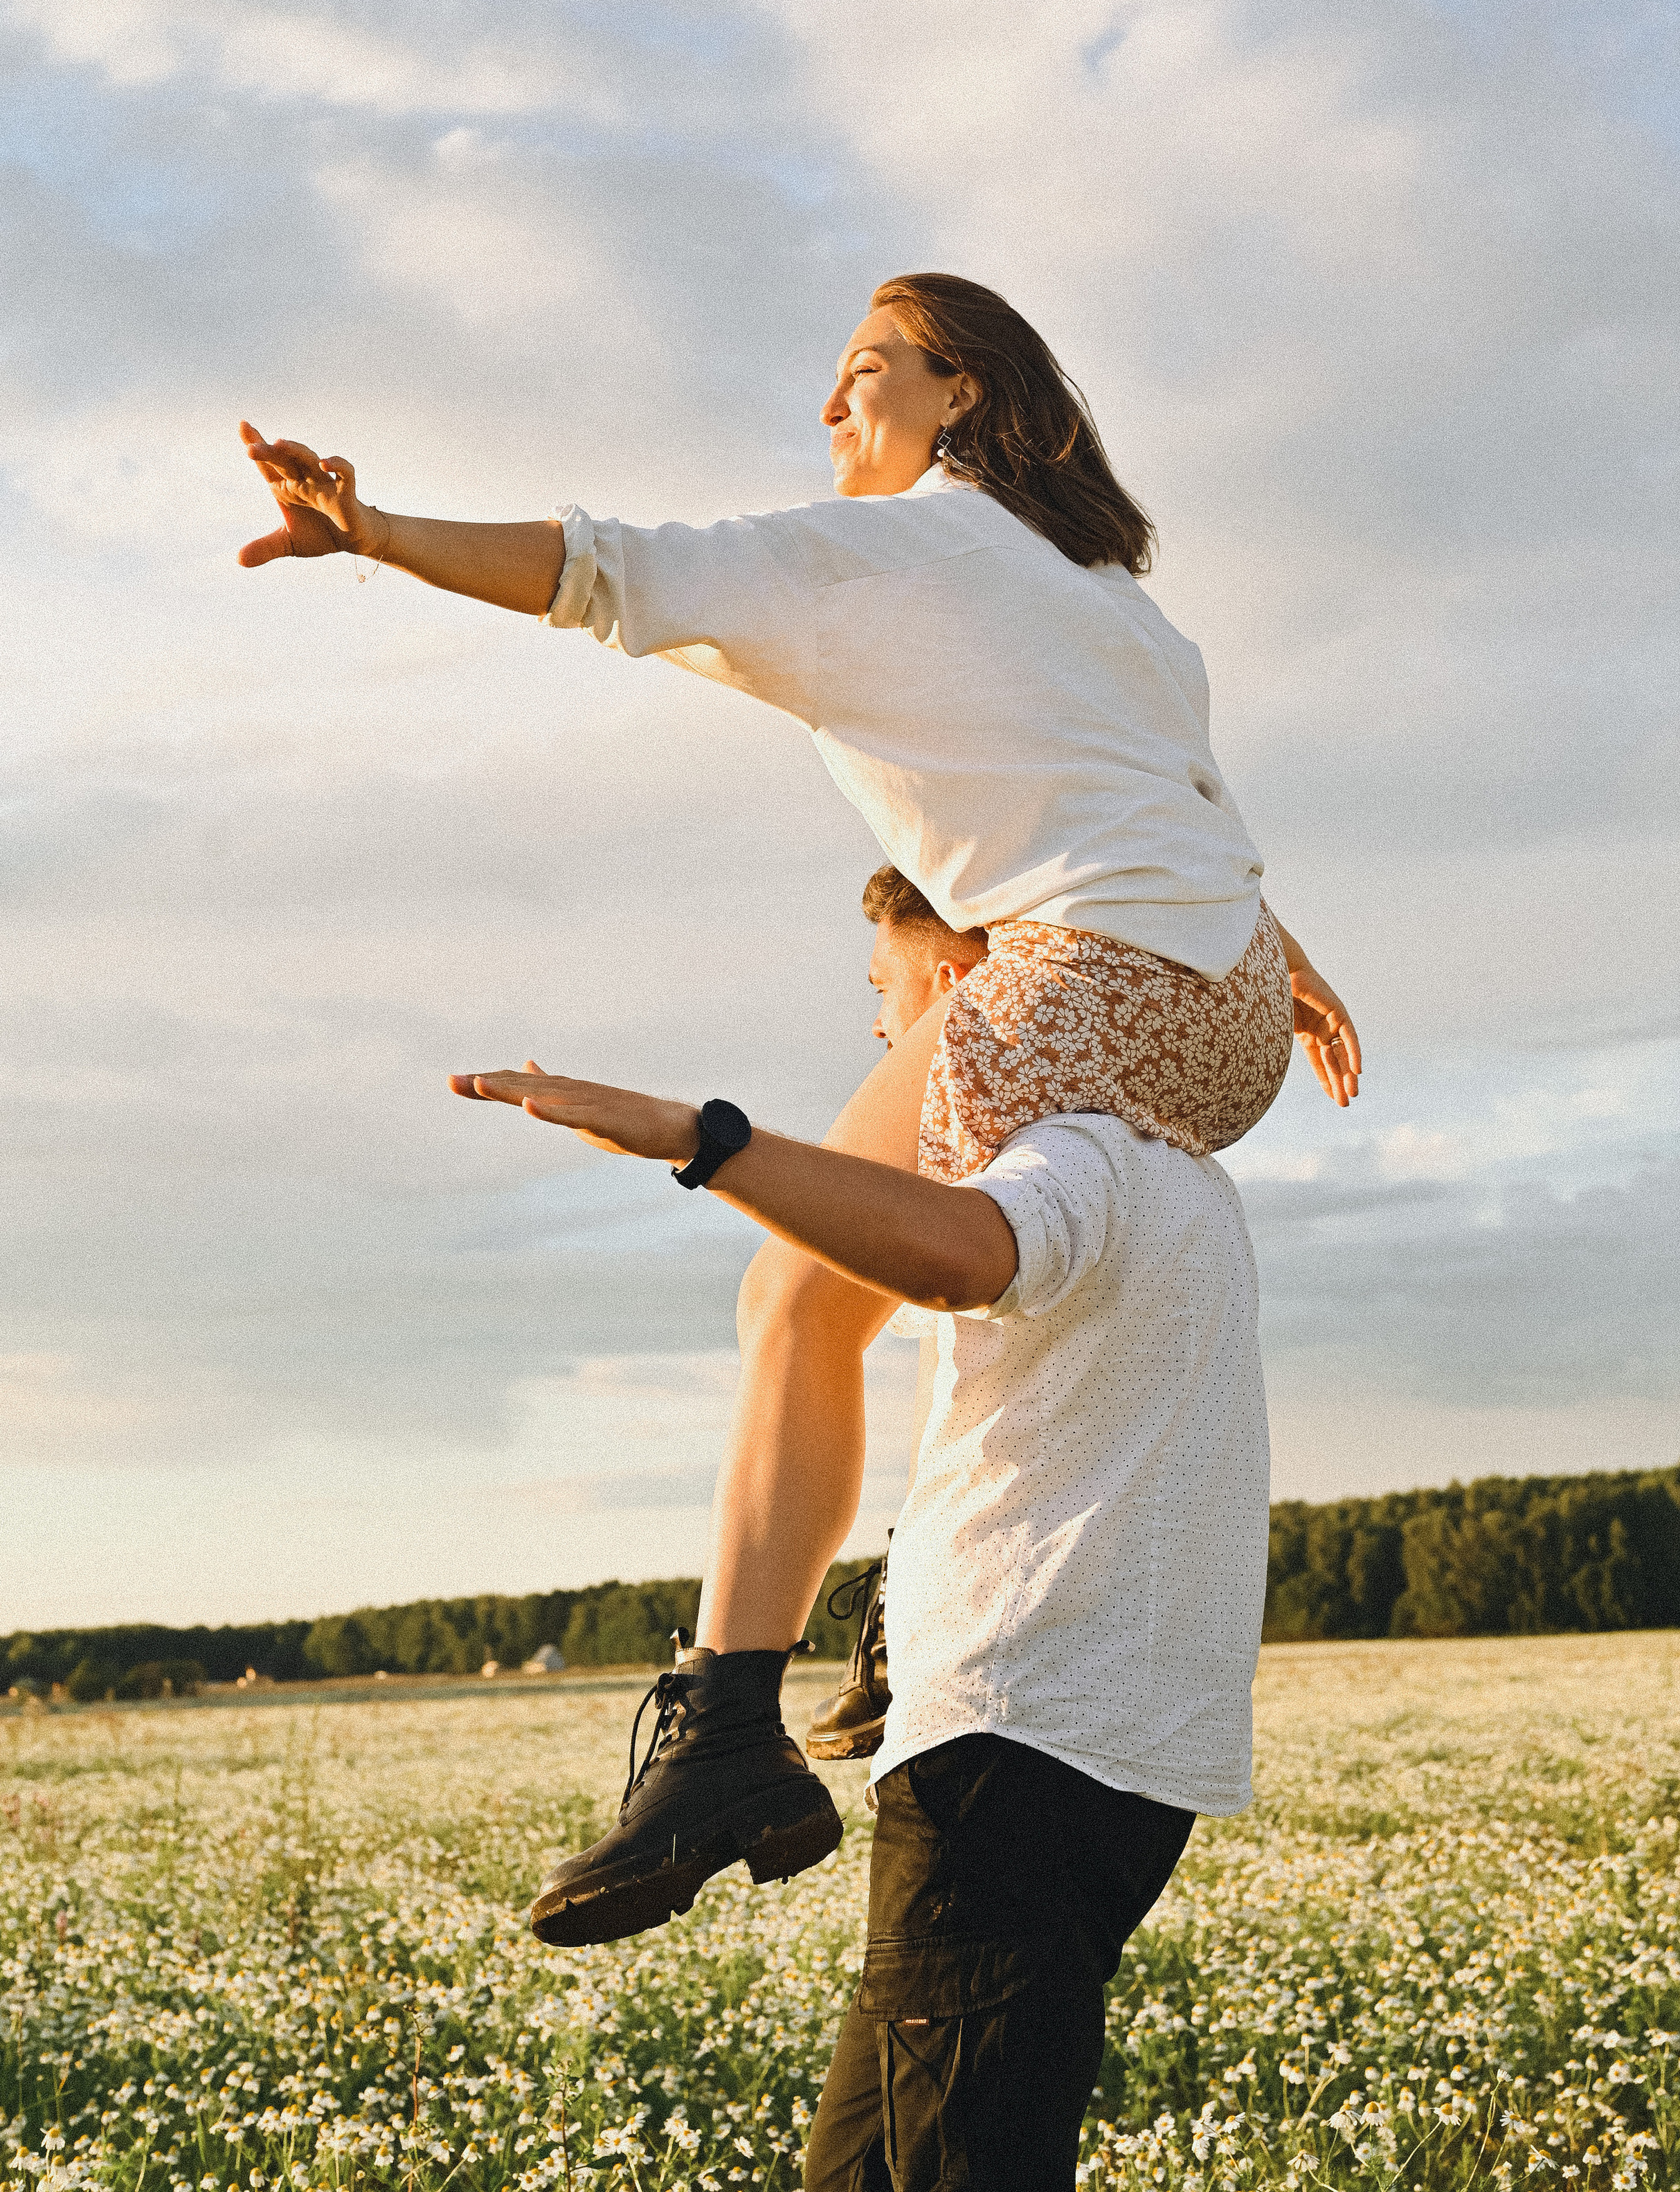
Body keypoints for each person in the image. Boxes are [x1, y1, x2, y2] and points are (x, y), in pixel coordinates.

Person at [240, 271, 1358, 1894]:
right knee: (935, 1299)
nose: (831, 408)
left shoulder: (888, 549)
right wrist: (1283, 963)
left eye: (863, 373)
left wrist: (383, 530)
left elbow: (604, 570)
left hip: (1097, 982)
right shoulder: (1110, 591)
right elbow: (1168, 799)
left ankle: (727, 1740)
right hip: (1228, 1005)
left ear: (959, 393)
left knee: (798, 1300)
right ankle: (902, 1631)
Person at [451, 860, 1275, 2191]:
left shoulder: (1076, 1155)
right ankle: (836, 1664)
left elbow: (956, 1250)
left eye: (886, 994)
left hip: (1012, 1755)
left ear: (965, 988)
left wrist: (699, 1141)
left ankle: (729, 1724)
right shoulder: (1192, 1189)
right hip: (1120, 1761)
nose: (884, 1040)